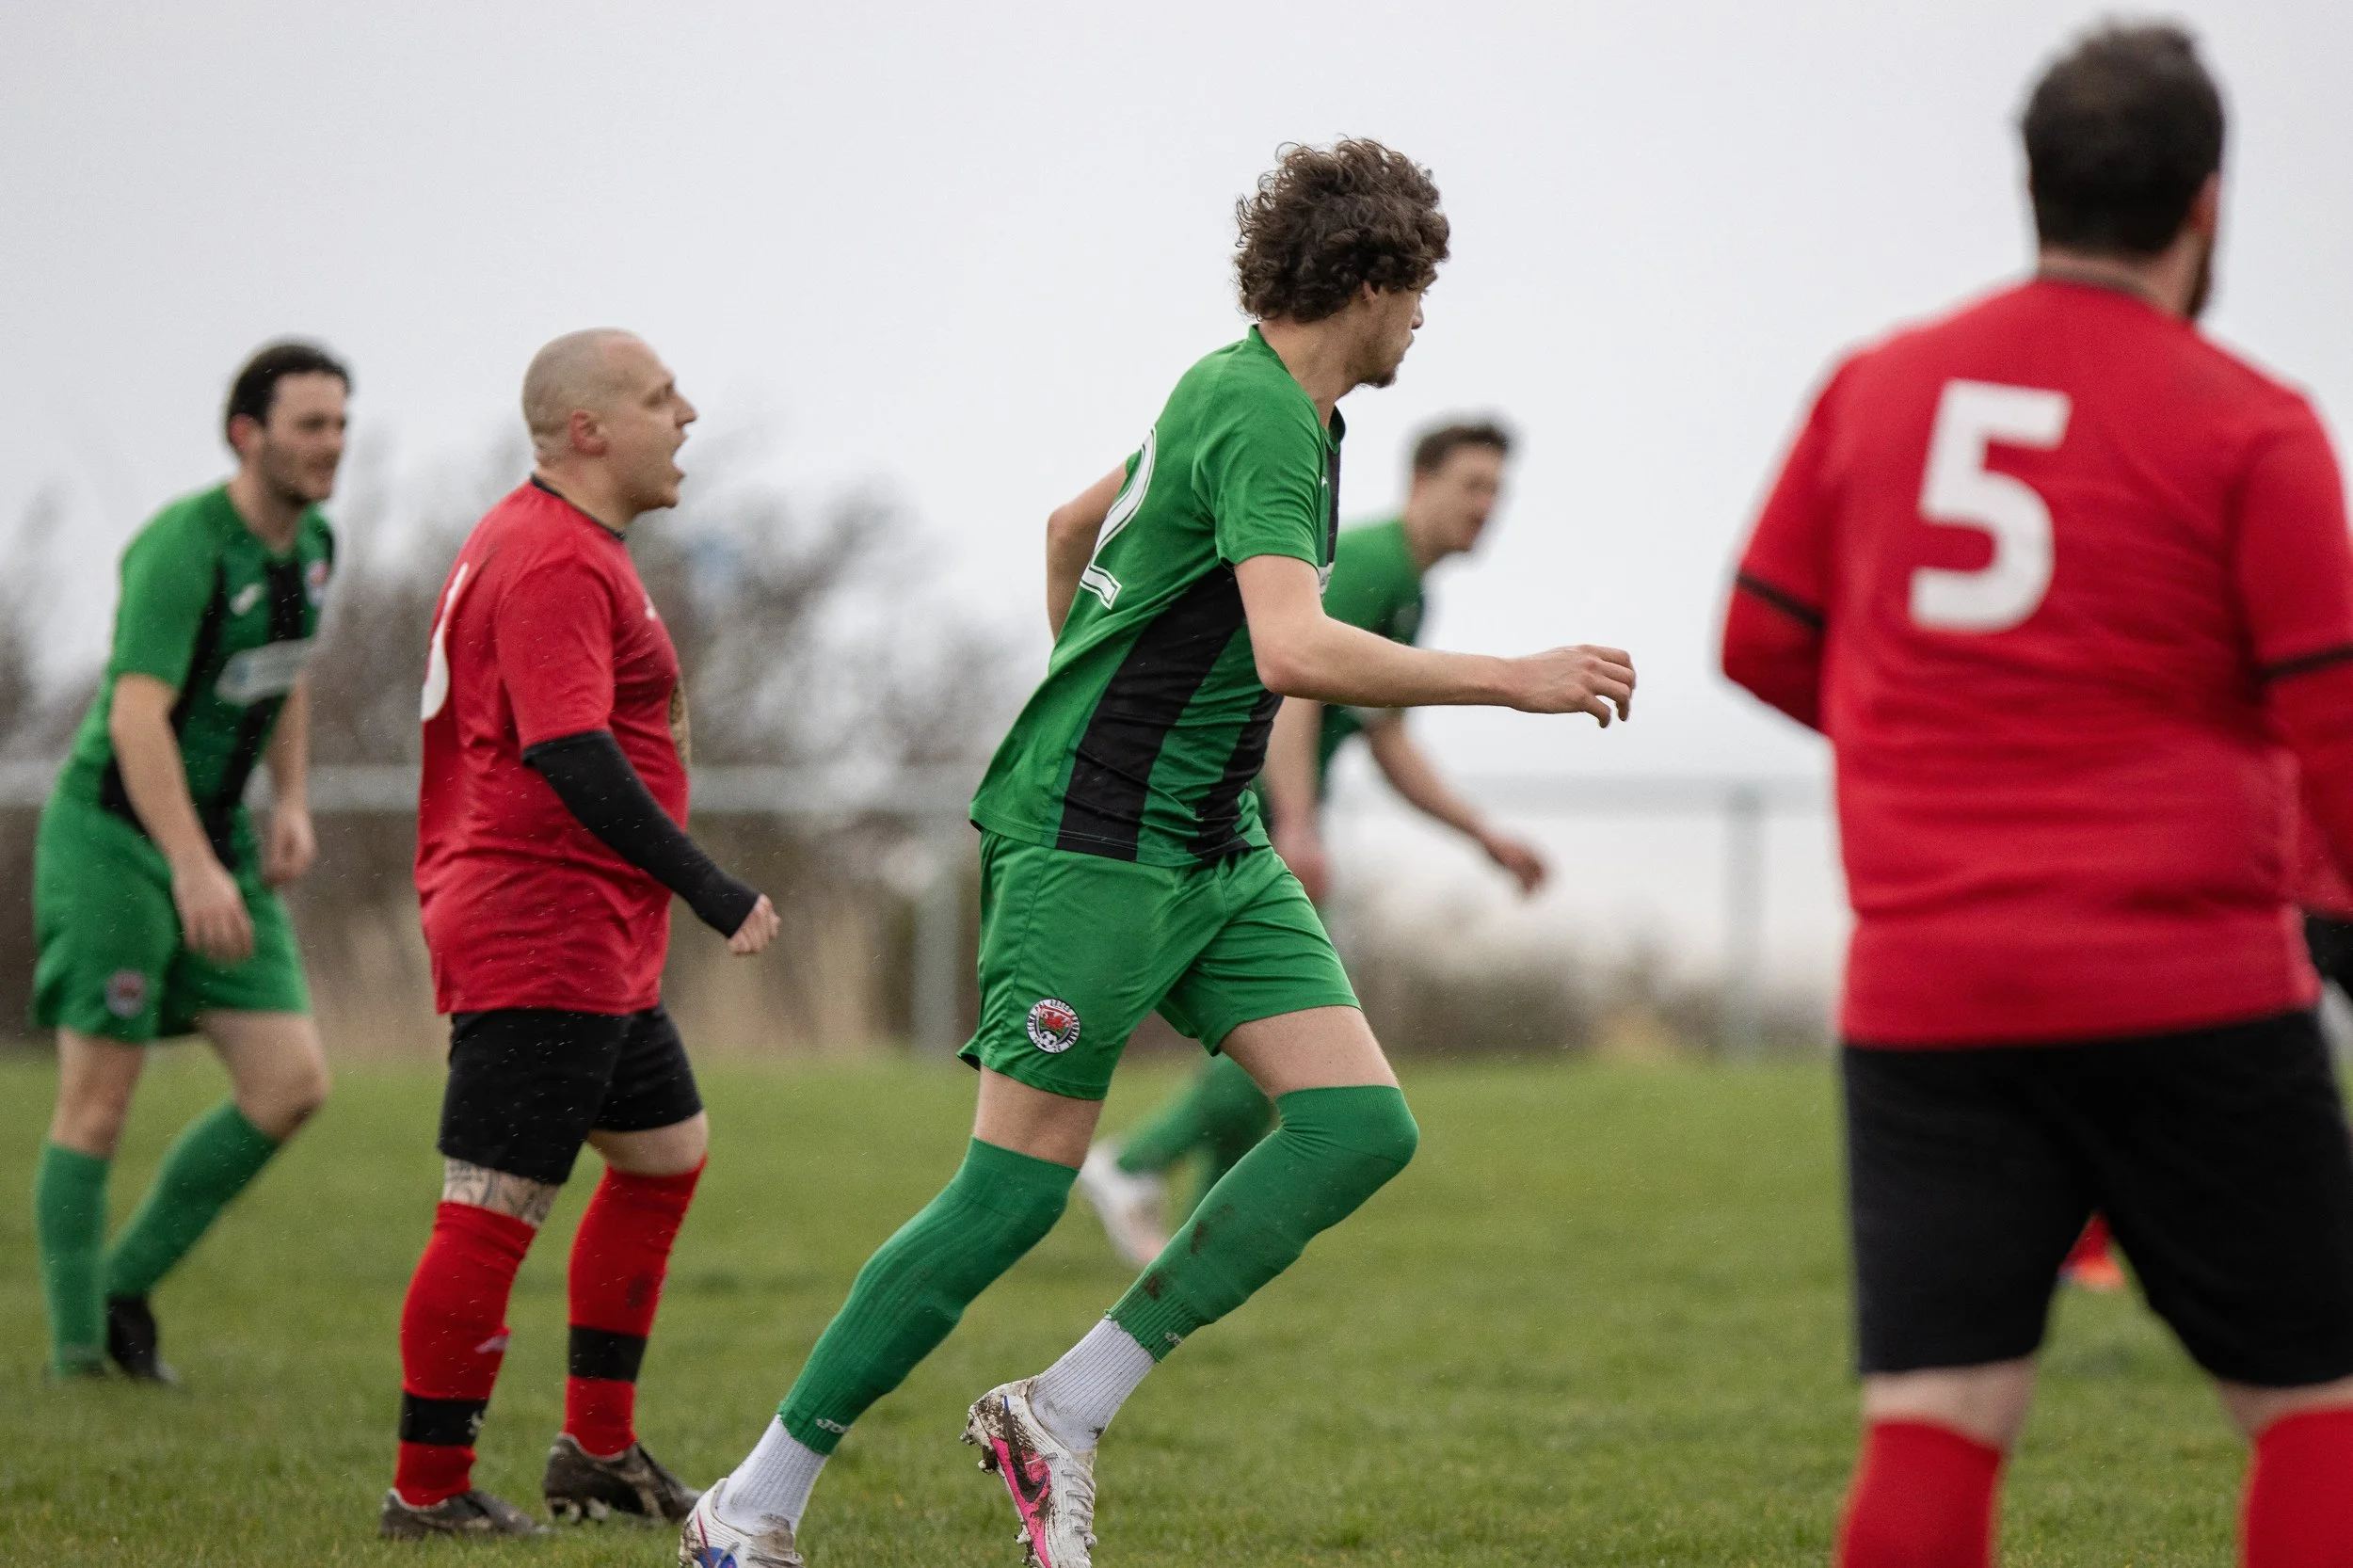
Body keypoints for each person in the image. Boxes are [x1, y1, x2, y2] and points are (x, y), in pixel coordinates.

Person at [680, 137, 1635, 1568]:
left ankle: (1062, 1409)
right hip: (1096, 844)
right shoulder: (1256, 409)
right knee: (1010, 1192)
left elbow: (1073, 525)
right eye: (1421, 288)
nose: (1426, 318)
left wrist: (1102, 670)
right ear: (1369, 282)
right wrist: (1516, 676)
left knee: (1358, 1125)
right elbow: (1293, 646)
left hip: (1210, 841)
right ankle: (747, 1507)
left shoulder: (1272, 405)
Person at [1721, 24, 2353, 1567]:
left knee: (1939, 1415)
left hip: (1933, 996)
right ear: (2209, 203)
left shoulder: (1877, 388)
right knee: (2314, 1408)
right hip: (2192, 982)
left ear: (2032, 185)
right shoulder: (2251, 423)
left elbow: (1758, 642)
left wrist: (1932, 742)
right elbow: (2335, 722)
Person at [380, 329, 781, 1540]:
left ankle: (596, 1450)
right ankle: (427, 1491)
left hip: (592, 931)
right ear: (588, 430)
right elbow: (566, 749)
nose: (689, 413)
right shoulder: (553, 555)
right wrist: (711, 888)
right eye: (662, 399)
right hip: (537, 923)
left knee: (665, 1152)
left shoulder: (571, 545)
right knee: (491, 1205)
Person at [1075, 419, 1549, 1267]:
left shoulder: (1407, 586)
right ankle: (1133, 1163)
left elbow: (1387, 735)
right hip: (1237, 818)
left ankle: (1195, 1232)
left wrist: (1484, 836)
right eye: (1471, 485)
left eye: (1497, 491)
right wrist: (1295, 820)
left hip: (1253, 817)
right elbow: (1291, 686)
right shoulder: (1371, 565)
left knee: (1278, 1034)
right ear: (1420, 483)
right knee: (1296, 1030)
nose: (1487, 506)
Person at [31, 342, 347, 1383]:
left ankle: (123, 1282)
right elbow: (134, 718)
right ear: (245, 434)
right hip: (119, 836)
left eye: (340, 423)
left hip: (215, 838)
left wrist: (290, 799)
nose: (330, 444)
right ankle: (80, 1357)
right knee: (99, 1101)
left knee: (290, 1083)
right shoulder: (182, 546)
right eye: (309, 425)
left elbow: (285, 678)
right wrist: (188, 866)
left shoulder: (313, 546)